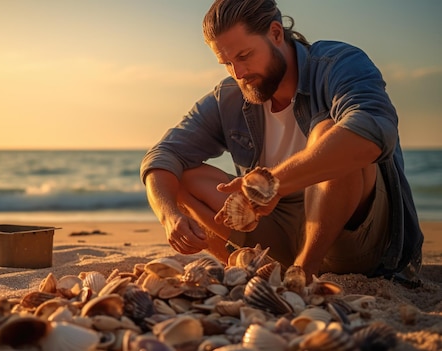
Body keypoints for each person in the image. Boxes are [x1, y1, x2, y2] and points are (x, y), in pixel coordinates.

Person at [140, 0, 423, 285]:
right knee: (184, 178)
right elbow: (163, 154)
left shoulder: (337, 63)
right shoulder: (228, 97)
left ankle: (305, 271)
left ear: (276, 33)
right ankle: (248, 271)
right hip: (277, 235)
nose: (238, 73)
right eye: (227, 63)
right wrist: (169, 216)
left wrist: (273, 183)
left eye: (245, 55)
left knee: (331, 131)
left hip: (356, 239)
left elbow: (372, 132)